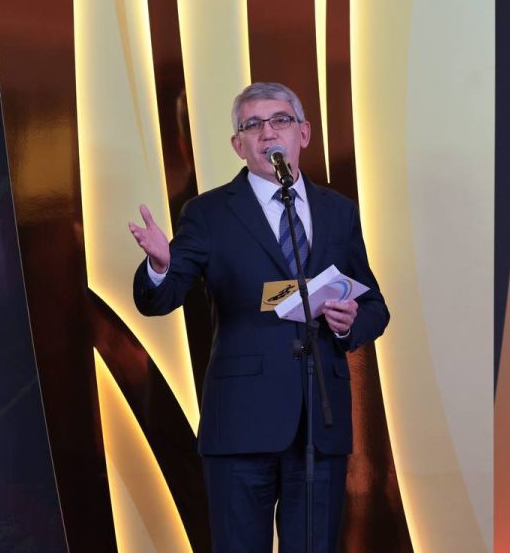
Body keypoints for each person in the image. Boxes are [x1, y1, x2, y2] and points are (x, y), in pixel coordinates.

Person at [129, 82, 389, 552]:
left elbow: (375, 307)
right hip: (241, 423)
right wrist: (160, 266)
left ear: (303, 134)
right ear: (238, 144)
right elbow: (160, 299)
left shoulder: (338, 211)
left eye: (280, 120)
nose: (267, 132)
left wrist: (349, 321)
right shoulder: (208, 213)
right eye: (253, 125)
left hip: (319, 422)